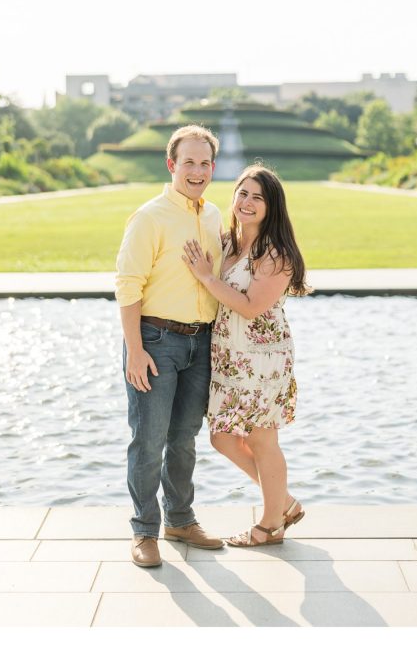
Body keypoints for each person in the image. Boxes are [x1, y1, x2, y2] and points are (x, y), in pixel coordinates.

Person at [115, 124, 226, 568]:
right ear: (171, 165)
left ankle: (180, 519)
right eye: (188, 163)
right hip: (155, 342)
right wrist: (135, 350)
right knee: (149, 441)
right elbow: (127, 285)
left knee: (184, 440)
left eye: (204, 163)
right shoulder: (150, 217)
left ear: (212, 167)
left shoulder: (214, 215)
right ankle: (145, 531)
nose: (196, 171)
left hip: (201, 344)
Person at [182, 163, 309, 547]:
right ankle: (283, 501)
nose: (248, 202)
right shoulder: (227, 243)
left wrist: (207, 277)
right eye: (243, 193)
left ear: (272, 207)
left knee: (261, 438)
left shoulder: (276, 252)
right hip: (229, 357)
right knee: (222, 437)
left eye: (258, 197)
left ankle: (270, 525)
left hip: (261, 359)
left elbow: (251, 306)